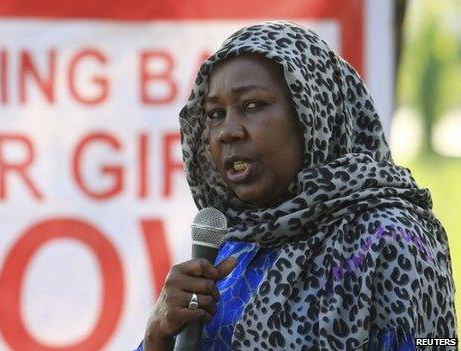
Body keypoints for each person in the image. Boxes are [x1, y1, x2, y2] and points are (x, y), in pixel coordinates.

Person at [137, 21, 457, 350]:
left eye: (251, 106)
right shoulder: (232, 247)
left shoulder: (393, 239)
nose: (226, 132)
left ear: (312, 112)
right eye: (215, 113)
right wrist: (158, 334)